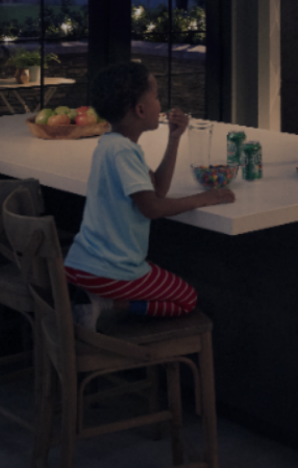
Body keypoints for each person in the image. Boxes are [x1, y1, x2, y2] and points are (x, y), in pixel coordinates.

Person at [62, 61, 235, 330]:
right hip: (110, 270)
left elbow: (158, 190)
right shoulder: (125, 152)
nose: (160, 103)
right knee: (187, 299)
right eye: (156, 97)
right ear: (140, 110)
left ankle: (97, 302)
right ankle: (105, 305)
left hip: (82, 262)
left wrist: (174, 139)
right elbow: (152, 208)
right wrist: (205, 198)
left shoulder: (111, 144)